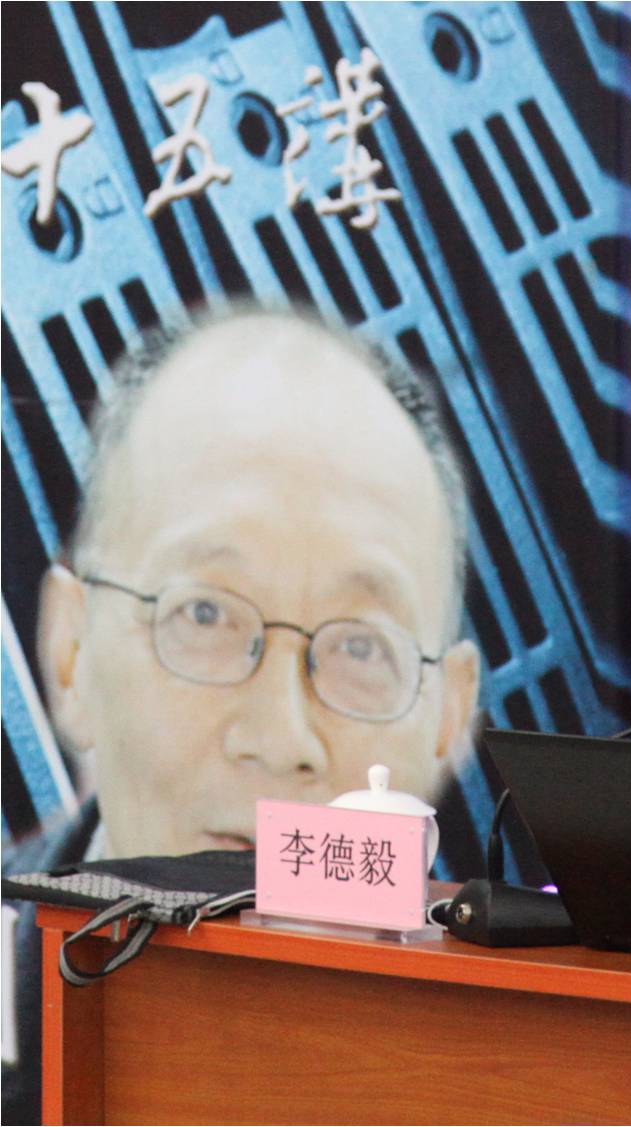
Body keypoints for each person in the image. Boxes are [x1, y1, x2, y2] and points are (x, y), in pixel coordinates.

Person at [3, 309, 481, 1122]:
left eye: (360, 647)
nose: (279, 737)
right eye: (204, 615)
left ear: (449, 712)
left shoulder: (512, 1058)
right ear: (72, 651)